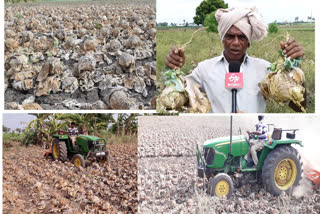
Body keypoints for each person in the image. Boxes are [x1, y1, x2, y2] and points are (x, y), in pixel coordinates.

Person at [164, 7, 305, 113]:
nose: (236, 43)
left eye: (242, 37)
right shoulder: (203, 69)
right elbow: (179, 101)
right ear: (223, 40)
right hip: (217, 138)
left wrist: (292, 71)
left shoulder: (265, 70)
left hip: (251, 136)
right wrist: (174, 71)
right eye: (230, 36)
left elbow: (298, 106)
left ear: (248, 42)